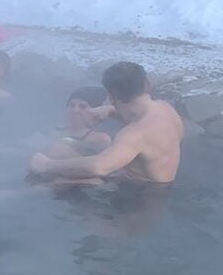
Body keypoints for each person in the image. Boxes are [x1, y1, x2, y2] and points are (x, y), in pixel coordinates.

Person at [29, 62, 184, 184]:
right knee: (61, 153)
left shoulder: (134, 134)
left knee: (60, 173)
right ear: (146, 84)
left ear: (110, 95)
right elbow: (146, 129)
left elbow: (99, 167)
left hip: (139, 197)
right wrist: (110, 110)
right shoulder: (165, 109)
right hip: (159, 188)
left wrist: (47, 165)